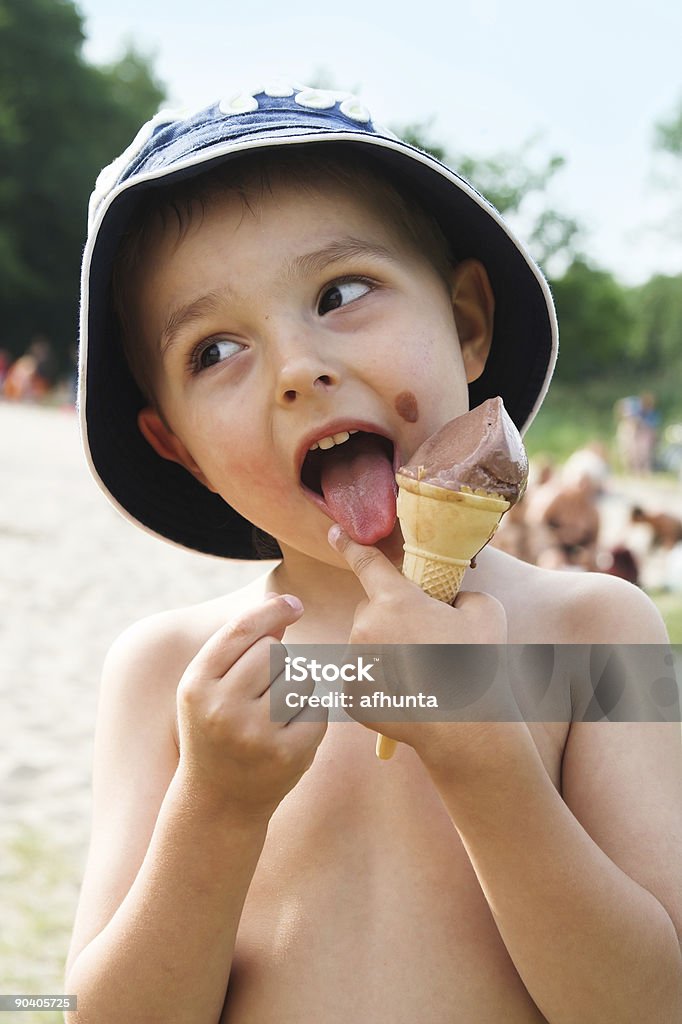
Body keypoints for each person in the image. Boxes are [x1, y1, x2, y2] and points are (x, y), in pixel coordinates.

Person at [65, 83, 682, 1023]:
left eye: (340, 293)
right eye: (215, 349)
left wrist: (490, 766)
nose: (297, 369)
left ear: (468, 320)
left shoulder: (603, 632)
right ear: (178, 447)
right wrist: (214, 814)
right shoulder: (170, 679)